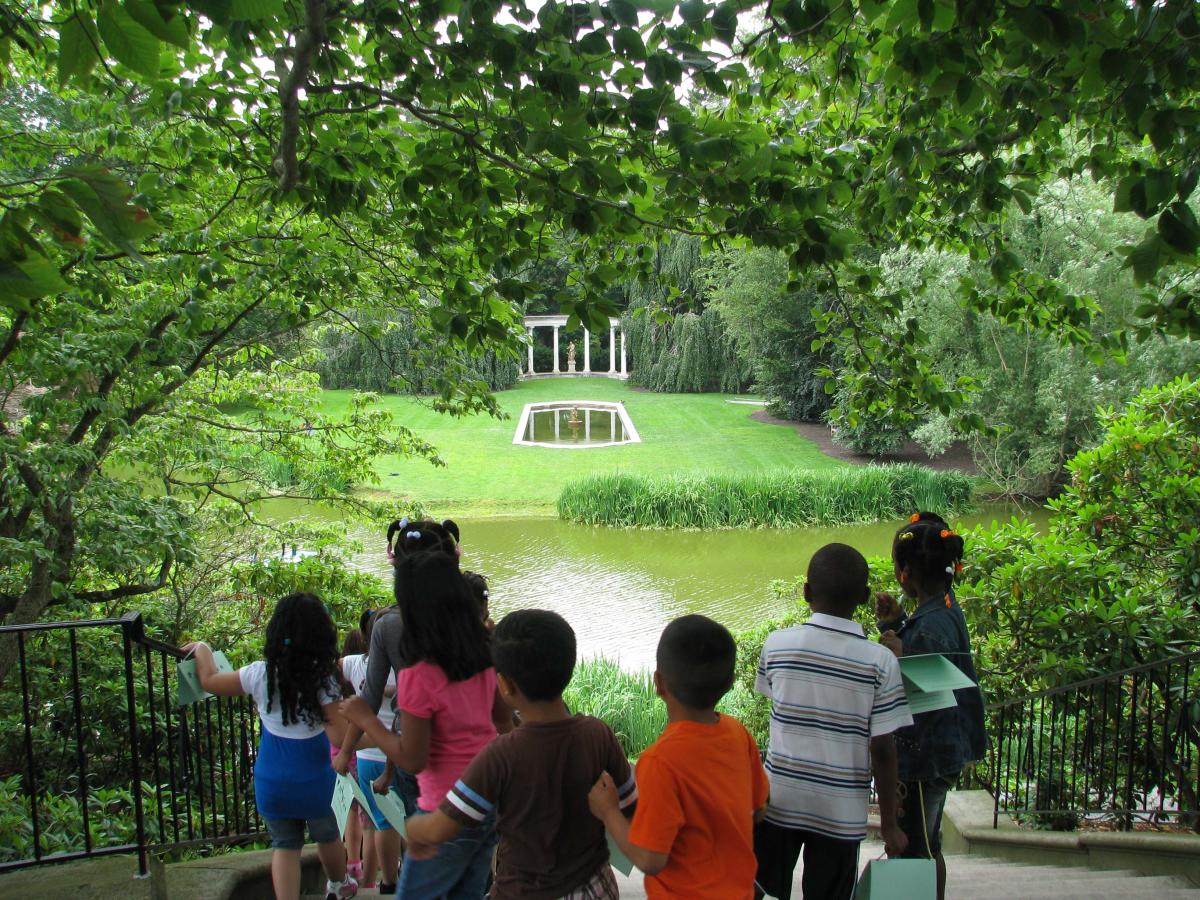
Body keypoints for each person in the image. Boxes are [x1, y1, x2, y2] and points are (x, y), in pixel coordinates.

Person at [404, 609, 636, 899]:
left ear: (505, 685)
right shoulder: (598, 734)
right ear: (569, 667)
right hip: (595, 888)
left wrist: (414, 829)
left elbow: (438, 829)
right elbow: (631, 807)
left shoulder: (499, 756)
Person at [341, 552, 512, 898]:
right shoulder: (484, 657)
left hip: (444, 810)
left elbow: (412, 758)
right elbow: (503, 723)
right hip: (487, 800)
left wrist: (365, 719)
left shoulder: (420, 675)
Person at [753, 543, 913, 900]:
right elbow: (883, 749)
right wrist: (889, 825)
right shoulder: (880, 662)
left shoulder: (777, 645)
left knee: (759, 887)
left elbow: (775, 703)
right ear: (864, 596)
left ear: (807, 592)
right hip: (841, 813)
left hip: (779, 802)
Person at [184, 593, 358, 900]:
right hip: (314, 778)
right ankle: (339, 885)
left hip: (272, 777)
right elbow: (338, 738)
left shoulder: (258, 674)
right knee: (328, 836)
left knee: (284, 844)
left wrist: (202, 648)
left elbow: (210, 680)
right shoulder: (324, 679)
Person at [589, 614, 769, 899]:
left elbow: (650, 860)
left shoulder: (660, 761)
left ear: (658, 683)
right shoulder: (738, 734)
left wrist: (609, 811)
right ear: (731, 682)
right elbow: (758, 809)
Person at [877, 519, 988, 900]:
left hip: (924, 758)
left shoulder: (932, 625)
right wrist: (896, 624)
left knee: (915, 847)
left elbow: (933, 683)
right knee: (929, 841)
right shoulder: (942, 608)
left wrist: (899, 654)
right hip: (942, 753)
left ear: (904, 573)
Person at [340, 610, 401, 892]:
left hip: (365, 758)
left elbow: (326, 670)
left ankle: (387, 882)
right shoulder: (403, 663)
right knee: (408, 819)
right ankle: (407, 879)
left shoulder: (355, 663)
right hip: (396, 751)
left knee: (381, 823)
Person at [336, 625, 376, 890]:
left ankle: (353, 863)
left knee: (349, 809)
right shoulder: (367, 675)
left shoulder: (341, 677)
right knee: (370, 817)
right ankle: (371, 879)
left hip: (341, 750)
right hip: (365, 748)